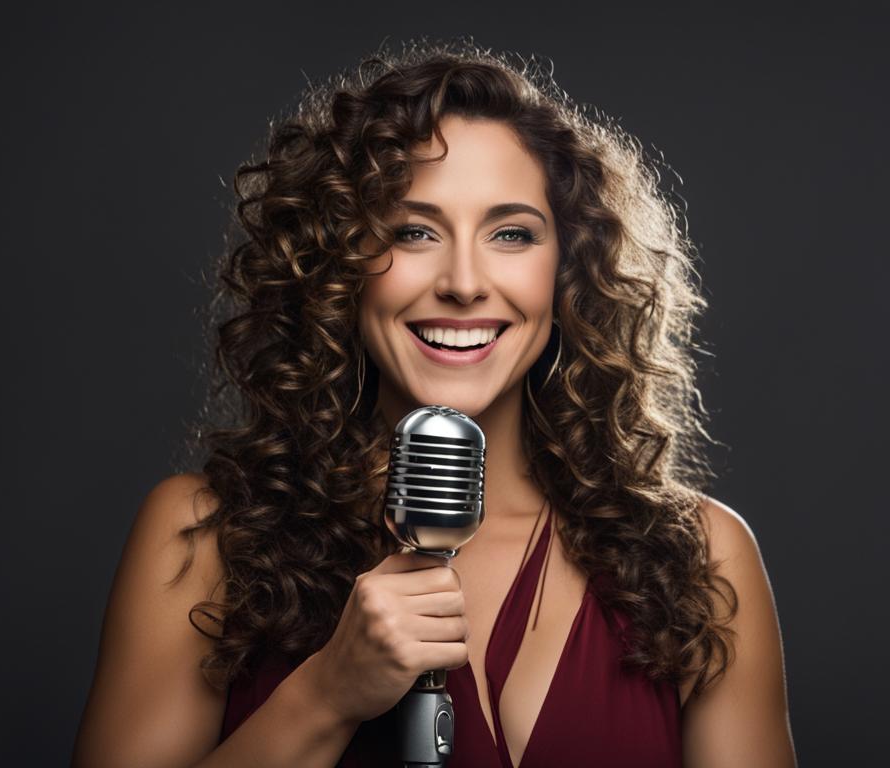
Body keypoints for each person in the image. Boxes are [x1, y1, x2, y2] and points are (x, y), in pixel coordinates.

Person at [73, 39, 796, 767]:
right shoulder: (202, 541)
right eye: (413, 231)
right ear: (338, 260)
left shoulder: (701, 558)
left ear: (569, 270)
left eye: (511, 234)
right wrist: (325, 696)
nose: (463, 281)